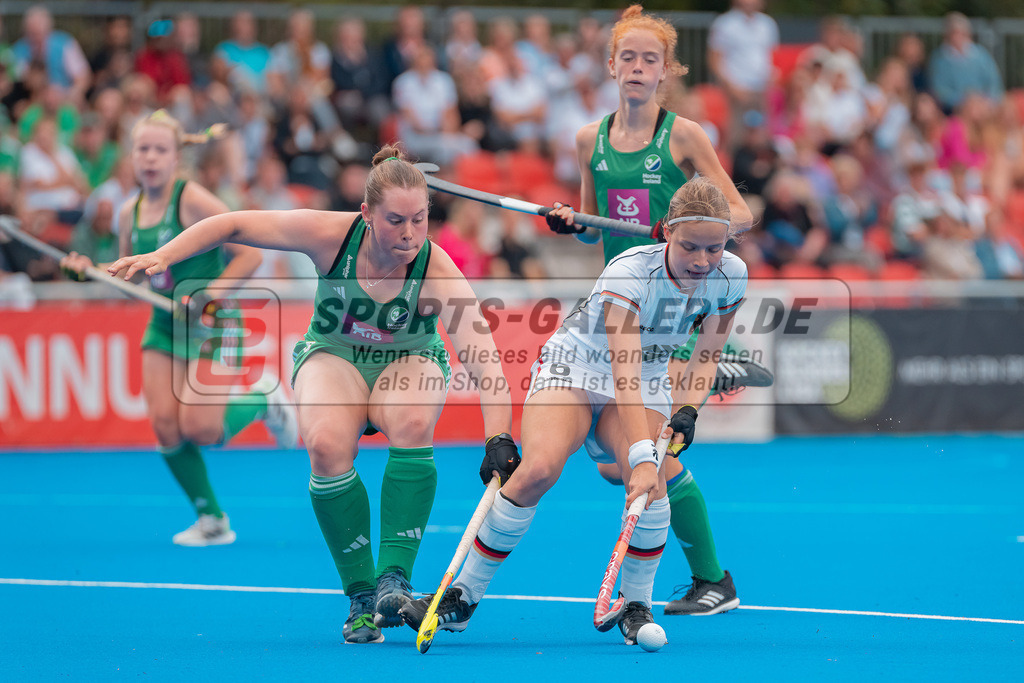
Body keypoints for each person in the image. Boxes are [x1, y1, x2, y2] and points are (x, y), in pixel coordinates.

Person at [105, 145, 521, 645]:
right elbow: (234, 225)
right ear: (366, 215)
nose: (409, 234)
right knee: (325, 444)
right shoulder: (330, 235)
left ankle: (394, 579)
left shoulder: (436, 270)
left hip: (408, 362)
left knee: (412, 422)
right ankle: (362, 597)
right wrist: (164, 255)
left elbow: (486, 362)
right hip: (335, 354)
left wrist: (498, 435)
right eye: (395, 221)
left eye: (419, 219)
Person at [402, 178, 746, 644]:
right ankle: (462, 598)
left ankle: (636, 604)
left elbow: (705, 354)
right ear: (665, 232)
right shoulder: (629, 272)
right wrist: (644, 454)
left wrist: (686, 409)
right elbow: (619, 368)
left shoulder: (731, 275)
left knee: (654, 480)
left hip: (647, 376)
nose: (704, 262)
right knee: (539, 469)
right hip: (578, 365)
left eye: (715, 248)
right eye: (691, 247)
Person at [543, 5, 765, 615]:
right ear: (612, 65)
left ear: (666, 71)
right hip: (621, 305)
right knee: (630, 467)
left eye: (651, 60)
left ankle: (714, 581)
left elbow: (739, 215)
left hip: (676, 305)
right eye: (629, 58)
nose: (638, 68)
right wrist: (571, 222)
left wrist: (682, 230)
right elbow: (594, 231)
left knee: (652, 458)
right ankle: (712, 581)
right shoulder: (589, 138)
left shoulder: (685, 135)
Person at [60, 110, 298, 547]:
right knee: (166, 427)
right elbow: (127, 275)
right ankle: (212, 521)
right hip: (166, 324)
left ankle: (264, 397)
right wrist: (88, 271)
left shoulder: (192, 199)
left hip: (212, 324)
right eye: (142, 149)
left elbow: (250, 256)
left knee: (202, 430)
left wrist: (209, 295)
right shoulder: (130, 214)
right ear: (131, 156)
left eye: (160, 150)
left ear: (176, 157)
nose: (150, 158)